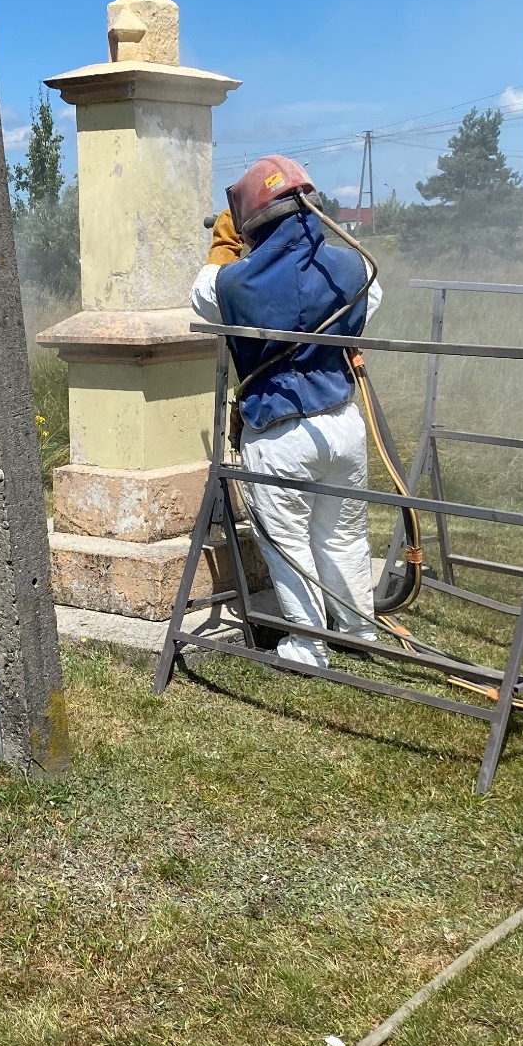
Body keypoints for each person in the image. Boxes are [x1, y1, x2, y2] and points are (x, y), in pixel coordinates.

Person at [191, 155, 382, 667]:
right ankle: (358, 631)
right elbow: (372, 299)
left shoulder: (231, 283)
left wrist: (223, 245)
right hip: (343, 424)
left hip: (280, 432)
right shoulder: (354, 266)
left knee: (287, 541)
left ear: (251, 220)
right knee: (342, 533)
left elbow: (201, 298)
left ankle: (308, 644)